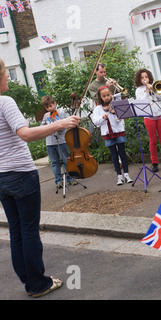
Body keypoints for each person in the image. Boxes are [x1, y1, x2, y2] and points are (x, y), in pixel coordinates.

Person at [0, 58, 80, 297]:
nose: (7, 78)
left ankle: (30, 282)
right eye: (5, 74)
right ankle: (39, 284)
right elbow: (25, 134)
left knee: (16, 231)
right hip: (21, 174)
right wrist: (61, 124)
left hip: (1, 177)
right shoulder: (5, 101)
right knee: (28, 230)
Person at [134, 68, 161, 172]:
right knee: (153, 140)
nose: (145, 79)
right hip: (149, 117)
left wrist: (153, 90)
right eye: (142, 77)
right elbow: (141, 102)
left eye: (146, 77)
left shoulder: (154, 86)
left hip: (159, 115)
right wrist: (146, 92)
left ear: (149, 77)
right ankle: (154, 163)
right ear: (139, 79)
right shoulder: (138, 90)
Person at [92, 86, 133, 185]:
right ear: (100, 97)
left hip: (118, 132)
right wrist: (103, 117)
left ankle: (127, 175)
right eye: (104, 96)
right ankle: (119, 177)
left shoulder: (115, 105)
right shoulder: (98, 108)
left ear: (111, 95)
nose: (106, 97)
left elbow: (121, 119)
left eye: (108, 95)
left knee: (122, 153)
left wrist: (115, 114)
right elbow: (96, 122)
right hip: (108, 134)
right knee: (114, 156)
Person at [40, 95, 78, 189]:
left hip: (61, 141)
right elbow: (42, 127)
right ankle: (58, 180)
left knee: (65, 160)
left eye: (50, 106)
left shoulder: (61, 113)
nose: (49, 108)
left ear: (55, 103)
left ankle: (70, 178)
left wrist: (57, 125)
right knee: (54, 162)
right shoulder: (46, 116)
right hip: (50, 142)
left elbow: (64, 127)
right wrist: (47, 126)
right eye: (47, 107)